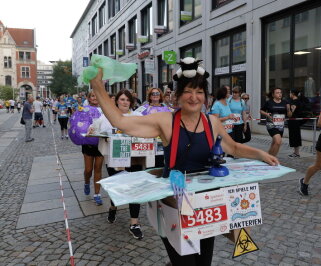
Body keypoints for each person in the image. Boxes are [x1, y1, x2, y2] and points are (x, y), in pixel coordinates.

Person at [90, 57, 278, 266]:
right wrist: (97, 85)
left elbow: (233, 147)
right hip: (174, 203)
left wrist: (261, 154)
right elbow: (121, 122)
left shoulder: (211, 122)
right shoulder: (166, 121)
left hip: (206, 204)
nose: (194, 97)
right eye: (188, 91)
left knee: (203, 263)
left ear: (205, 97)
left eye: (199, 92)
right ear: (178, 96)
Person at [100, 90, 144, 239]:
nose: (125, 102)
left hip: (135, 158)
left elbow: (145, 133)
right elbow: (101, 134)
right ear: (116, 101)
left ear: (131, 102)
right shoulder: (108, 117)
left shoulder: (137, 117)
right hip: (114, 159)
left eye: (127, 100)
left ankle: (134, 223)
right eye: (122, 99)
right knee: (117, 188)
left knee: (134, 190)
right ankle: (113, 206)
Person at [82, 91, 105, 205]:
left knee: (98, 169)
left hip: (100, 142)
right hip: (88, 143)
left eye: (96, 95)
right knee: (88, 170)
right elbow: (80, 123)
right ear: (89, 98)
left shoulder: (104, 110)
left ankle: (97, 194)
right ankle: (86, 182)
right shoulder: (85, 110)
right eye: (92, 96)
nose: (95, 97)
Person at [260, 88, 289, 156]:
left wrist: (289, 109)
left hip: (280, 126)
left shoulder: (285, 102)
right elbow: (261, 111)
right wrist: (267, 114)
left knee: (275, 143)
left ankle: (267, 157)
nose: (280, 94)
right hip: (271, 124)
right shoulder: (269, 102)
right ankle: (273, 159)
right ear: (273, 95)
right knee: (278, 141)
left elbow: (289, 115)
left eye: (280, 92)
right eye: (277, 92)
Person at [287, 89, 304, 157]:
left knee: (295, 136)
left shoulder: (294, 102)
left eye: (290, 93)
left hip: (294, 122)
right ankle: (296, 152)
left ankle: (296, 153)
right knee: (295, 136)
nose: (289, 94)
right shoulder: (298, 101)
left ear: (293, 94)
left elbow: (291, 113)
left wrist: (288, 109)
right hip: (294, 121)